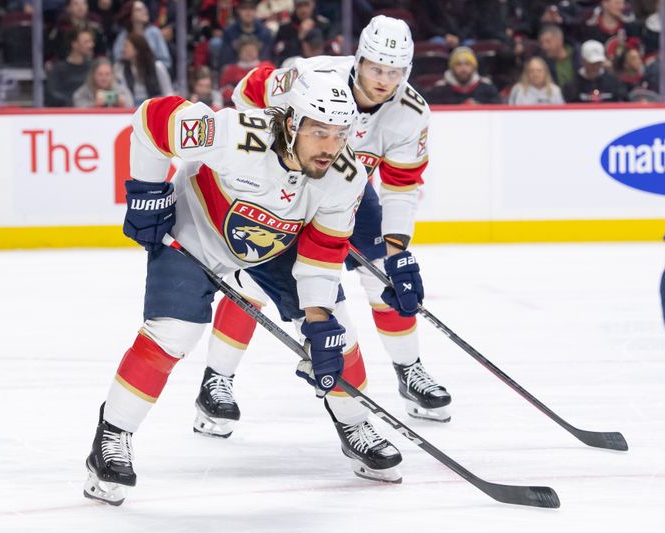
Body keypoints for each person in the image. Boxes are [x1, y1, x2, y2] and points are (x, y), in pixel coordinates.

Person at [83, 70, 404, 506]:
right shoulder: (236, 135)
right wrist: (147, 190)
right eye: (320, 131)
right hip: (194, 233)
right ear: (291, 123)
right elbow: (152, 119)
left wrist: (317, 319)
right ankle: (112, 435)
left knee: (337, 335)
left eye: (340, 133)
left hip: (275, 247)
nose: (331, 146)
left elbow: (323, 252)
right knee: (173, 333)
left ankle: (355, 423)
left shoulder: (345, 176)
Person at [193, 16, 452, 444]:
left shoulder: (411, 112)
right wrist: (268, 156)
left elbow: (402, 186)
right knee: (255, 279)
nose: (383, 80)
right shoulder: (313, 75)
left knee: (384, 275)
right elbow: (248, 92)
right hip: (284, 184)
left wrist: (398, 249)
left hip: (343, 192)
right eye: (375, 68)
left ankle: (409, 370)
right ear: (359, 59)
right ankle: (215, 381)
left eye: (394, 71)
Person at [425, 46, 501, 105]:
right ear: (452, 67)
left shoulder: (488, 88)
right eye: (458, 64)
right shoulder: (438, 90)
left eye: (467, 64)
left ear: (474, 67)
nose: (463, 68)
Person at [114, 33, 173, 106]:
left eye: (126, 46)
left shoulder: (157, 66)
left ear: (136, 49)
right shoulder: (120, 67)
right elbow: (121, 90)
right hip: (131, 106)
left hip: (153, 106)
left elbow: (168, 91)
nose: (123, 49)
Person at [113, 0, 172, 70]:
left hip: (152, 74)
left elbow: (166, 61)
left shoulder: (154, 32)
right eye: (138, 10)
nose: (144, 11)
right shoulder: (123, 36)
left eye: (144, 8)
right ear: (130, 14)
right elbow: (117, 59)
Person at [563, 40, 628, 103]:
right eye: (592, 63)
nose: (596, 66)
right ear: (583, 61)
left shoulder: (614, 84)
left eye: (598, 62)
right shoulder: (572, 87)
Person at [45, 28, 95, 107]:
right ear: (74, 44)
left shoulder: (93, 68)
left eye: (91, 41)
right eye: (86, 42)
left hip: (92, 113)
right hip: (66, 114)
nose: (91, 45)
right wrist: (76, 102)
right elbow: (52, 95)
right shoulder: (58, 69)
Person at [219, 35, 274, 106]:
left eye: (252, 50)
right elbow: (224, 91)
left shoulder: (266, 66)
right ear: (239, 52)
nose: (249, 53)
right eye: (246, 50)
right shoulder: (230, 70)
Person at [272, 0, 330, 66]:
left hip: (321, 64)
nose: (303, 10)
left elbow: (331, 51)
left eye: (306, 5)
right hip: (295, 66)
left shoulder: (323, 25)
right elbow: (279, 55)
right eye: (299, 6)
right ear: (294, 7)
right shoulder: (285, 28)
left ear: (313, 5)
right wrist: (300, 37)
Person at [219, 0, 274, 69]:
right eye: (244, 8)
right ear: (238, 10)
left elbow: (267, 57)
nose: (248, 13)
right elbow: (226, 58)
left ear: (256, 10)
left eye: (251, 9)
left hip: (258, 70)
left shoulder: (265, 32)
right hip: (236, 70)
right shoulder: (229, 32)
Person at [538, 24, 579, 89]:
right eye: (542, 43)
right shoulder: (543, 63)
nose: (544, 46)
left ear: (560, 40)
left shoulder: (578, 55)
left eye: (548, 41)